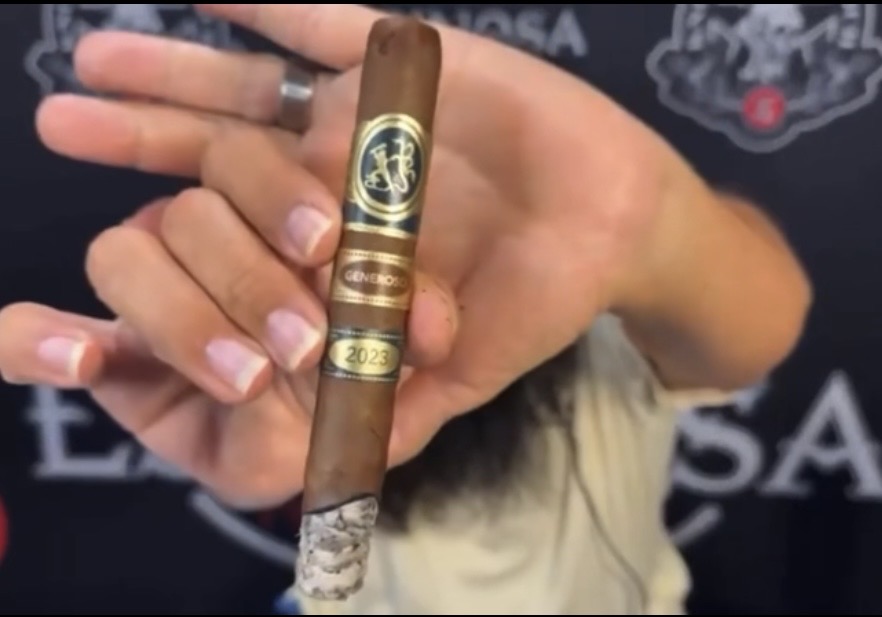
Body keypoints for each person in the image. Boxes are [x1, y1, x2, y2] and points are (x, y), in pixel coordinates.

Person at [0, 4, 813, 614]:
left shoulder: (594, 316)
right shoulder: (309, 301)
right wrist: (256, 380)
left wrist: (646, 218)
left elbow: (761, 316)